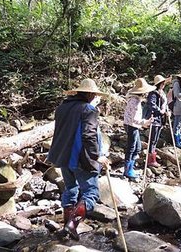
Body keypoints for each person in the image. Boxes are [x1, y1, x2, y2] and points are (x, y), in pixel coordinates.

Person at [47, 78, 111, 240]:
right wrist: (98, 156)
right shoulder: (88, 109)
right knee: (91, 193)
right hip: (80, 158)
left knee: (71, 189)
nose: (94, 97)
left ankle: (68, 229)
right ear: (89, 94)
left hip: (63, 157)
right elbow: (89, 135)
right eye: (94, 94)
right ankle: (72, 225)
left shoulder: (62, 108)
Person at [124, 78, 155, 178]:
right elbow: (134, 119)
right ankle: (128, 170)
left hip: (133, 125)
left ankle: (130, 168)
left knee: (137, 147)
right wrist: (144, 122)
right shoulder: (135, 102)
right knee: (132, 148)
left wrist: (143, 123)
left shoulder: (135, 100)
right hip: (131, 126)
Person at [144, 75, 170, 167]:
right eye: (162, 83)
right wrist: (160, 111)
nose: (164, 85)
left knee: (155, 140)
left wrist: (166, 111)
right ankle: (150, 159)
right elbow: (152, 104)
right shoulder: (153, 93)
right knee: (153, 139)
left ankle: (152, 157)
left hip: (160, 119)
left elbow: (165, 104)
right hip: (154, 118)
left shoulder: (162, 93)